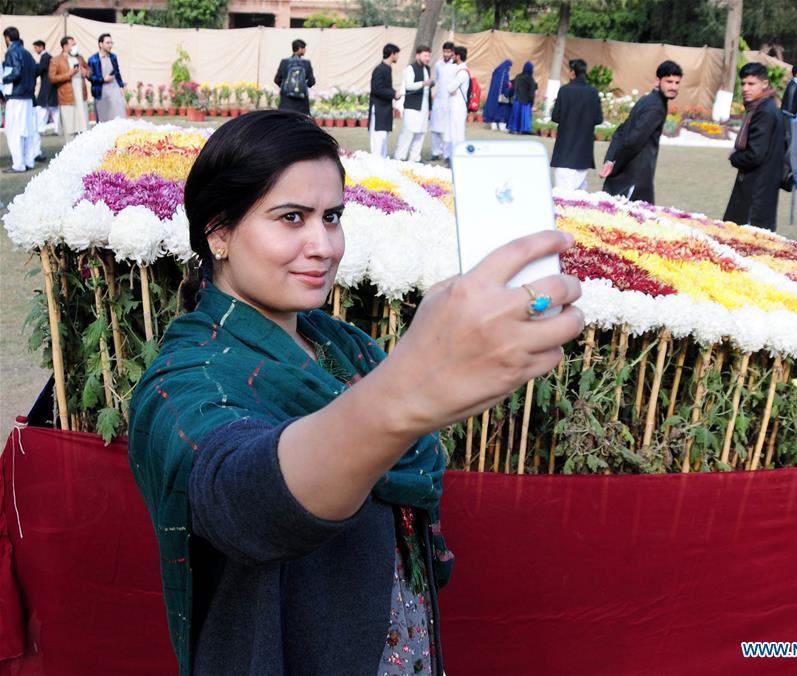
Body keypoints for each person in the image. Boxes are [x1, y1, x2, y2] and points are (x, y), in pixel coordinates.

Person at [128, 109, 583, 676]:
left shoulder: (345, 348)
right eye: (291, 218)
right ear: (218, 232)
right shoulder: (186, 379)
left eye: (332, 217)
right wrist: (406, 393)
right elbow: (244, 498)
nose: (323, 245)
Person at [600, 60, 683, 204]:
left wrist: (611, 160)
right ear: (658, 81)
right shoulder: (656, 107)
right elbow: (633, 140)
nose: (673, 87)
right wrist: (614, 165)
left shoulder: (647, 100)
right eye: (669, 82)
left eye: (677, 83)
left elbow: (621, 131)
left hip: (625, 176)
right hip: (633, 179)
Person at [723, 62, 785, 232]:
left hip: (756, 189)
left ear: (764, 84)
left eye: (751, 84)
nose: (745, 88)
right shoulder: (763, 107)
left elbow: (755, 155)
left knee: (744, 238)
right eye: (743, 83)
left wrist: (734, 157)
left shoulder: (763, 111)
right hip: (761, 185)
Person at [550, 59, 603, 191]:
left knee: (562, 195)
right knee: (578, 196)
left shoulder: (564, 90)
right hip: (583, 149)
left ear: (572, 72)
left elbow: (555, 116)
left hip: (564, 148)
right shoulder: (593, 92)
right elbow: (598, 118)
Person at [2, 27, 39, 173]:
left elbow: (15, 72)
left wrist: (4, 79)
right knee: (27, 131)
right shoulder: (28, 53)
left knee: (14, 131)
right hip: (28, 97)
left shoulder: (12, 52)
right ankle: (28, 161)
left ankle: (18, 164)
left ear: (7, 38)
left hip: (16, 96)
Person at [394, 45, 434, 163]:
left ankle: (415, 158)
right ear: (418, 55)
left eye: (428, 56)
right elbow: (408, 86)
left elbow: (428, 90)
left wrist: (430, 107)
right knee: (408, 132)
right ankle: (399, 157)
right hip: (412, 107)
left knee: (421, 133)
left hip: (424, 107)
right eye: (425, 55)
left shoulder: (427, 69)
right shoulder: (410, 69)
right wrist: (423, 83)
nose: (427, 58)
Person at [49, 36, 90, 143]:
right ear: (65, 46)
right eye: (73, 44)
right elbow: (52, 78)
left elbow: (89, 71)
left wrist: (86, 72)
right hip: (67, 98)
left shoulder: (79, 58)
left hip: (81, 98)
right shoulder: (56, 60)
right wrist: (69, 74)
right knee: (69, 127)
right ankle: (70, 151)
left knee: (83, 126)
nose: (75, 46)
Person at [88, 33, 127, 123]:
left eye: (111, 43)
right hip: (101, 91)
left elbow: (117, 72)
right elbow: (89, 77)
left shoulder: (113, 57)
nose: (110, 45)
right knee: (104, 119)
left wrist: (121, 85)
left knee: (119, 116)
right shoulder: (93, 59)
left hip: (115, 89)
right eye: (107, 43)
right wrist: (103, 79)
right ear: (100, 44)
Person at [429, 42, 456, 161]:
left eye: (448, 52)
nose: (446, 54)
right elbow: (435, 80)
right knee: (435, 128)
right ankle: (436, 152)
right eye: (444, 51)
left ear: (452, 53)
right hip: (438, 100)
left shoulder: (456, 66)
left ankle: (447, 154)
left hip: (450, 101)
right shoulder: (438, 65)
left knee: (447, 130)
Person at [275, 39, 316, 117]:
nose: (305, 50)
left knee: (285, 122)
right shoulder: (306, 63)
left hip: (286, 101)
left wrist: (286, 86)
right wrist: (302, 86)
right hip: (301, 101)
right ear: (300, 49)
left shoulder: (284, 62)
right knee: (300, 123)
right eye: (304, 48)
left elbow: (277, 80)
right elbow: (312, 82)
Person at [446, 45, 471, 153]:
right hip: (456, 105)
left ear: (458, 56)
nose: (451, 57)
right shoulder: (460, 70)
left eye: (453, 55)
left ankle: (459, 156)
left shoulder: (462, 72)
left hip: (458, 106)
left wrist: (451, 88)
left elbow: (450, 88)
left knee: (458, 133)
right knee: (454, 132)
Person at [32, 39, 59, 134]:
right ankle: (57, 128)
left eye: (35, 47)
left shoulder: (45, 57)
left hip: (47, 86)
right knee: (53, 108)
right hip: (50, 86)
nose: (35, 50)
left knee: (43, 108)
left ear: (41, 47)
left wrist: (32, 71)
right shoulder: (48, 57)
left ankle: (41, 128)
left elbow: (40, 69)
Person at [507, 62, 537, 135]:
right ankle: (524, 129)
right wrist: (532, 102)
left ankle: (513, 128)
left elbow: (512, 85)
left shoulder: (518, 76)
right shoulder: (530, 79)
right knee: (524, 116)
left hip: (517, 99)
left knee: (515, 114)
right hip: (526, 101)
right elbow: (531, 92)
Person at [483, 59, 513, 131]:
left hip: (493, 94)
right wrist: (507, 91)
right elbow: (503, 84)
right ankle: (501, 125)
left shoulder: (496, 71)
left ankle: (493, 125)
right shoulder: (504, 73)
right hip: (501, 95)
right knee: (502, 109)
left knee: (493, 108)